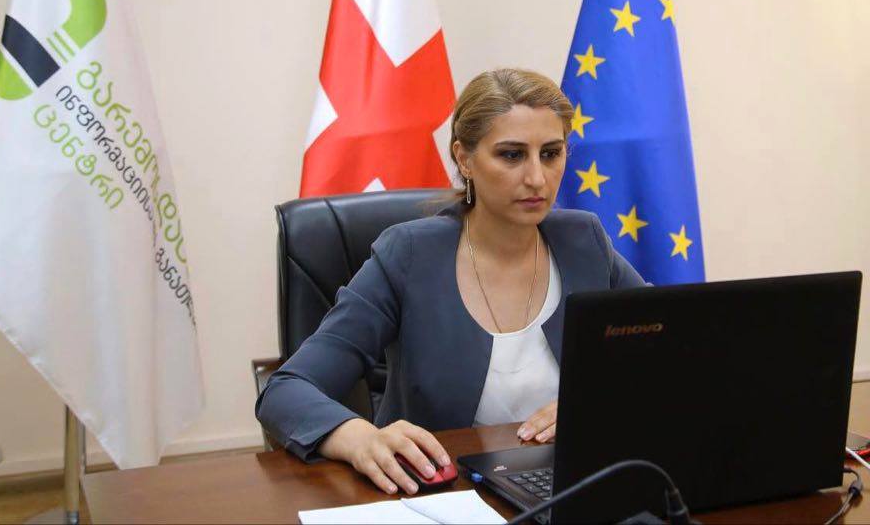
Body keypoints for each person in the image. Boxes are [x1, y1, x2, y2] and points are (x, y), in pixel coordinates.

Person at [256, 68, 645, 495]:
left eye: (551, 153)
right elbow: (286, 390)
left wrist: (599, 405)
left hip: (567, 486)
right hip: (445, 496)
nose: (537, 178)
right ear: (464, 159)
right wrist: (359, 437)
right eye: (512, 155)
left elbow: (674, 354)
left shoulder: (584, 240)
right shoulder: (409, 254)